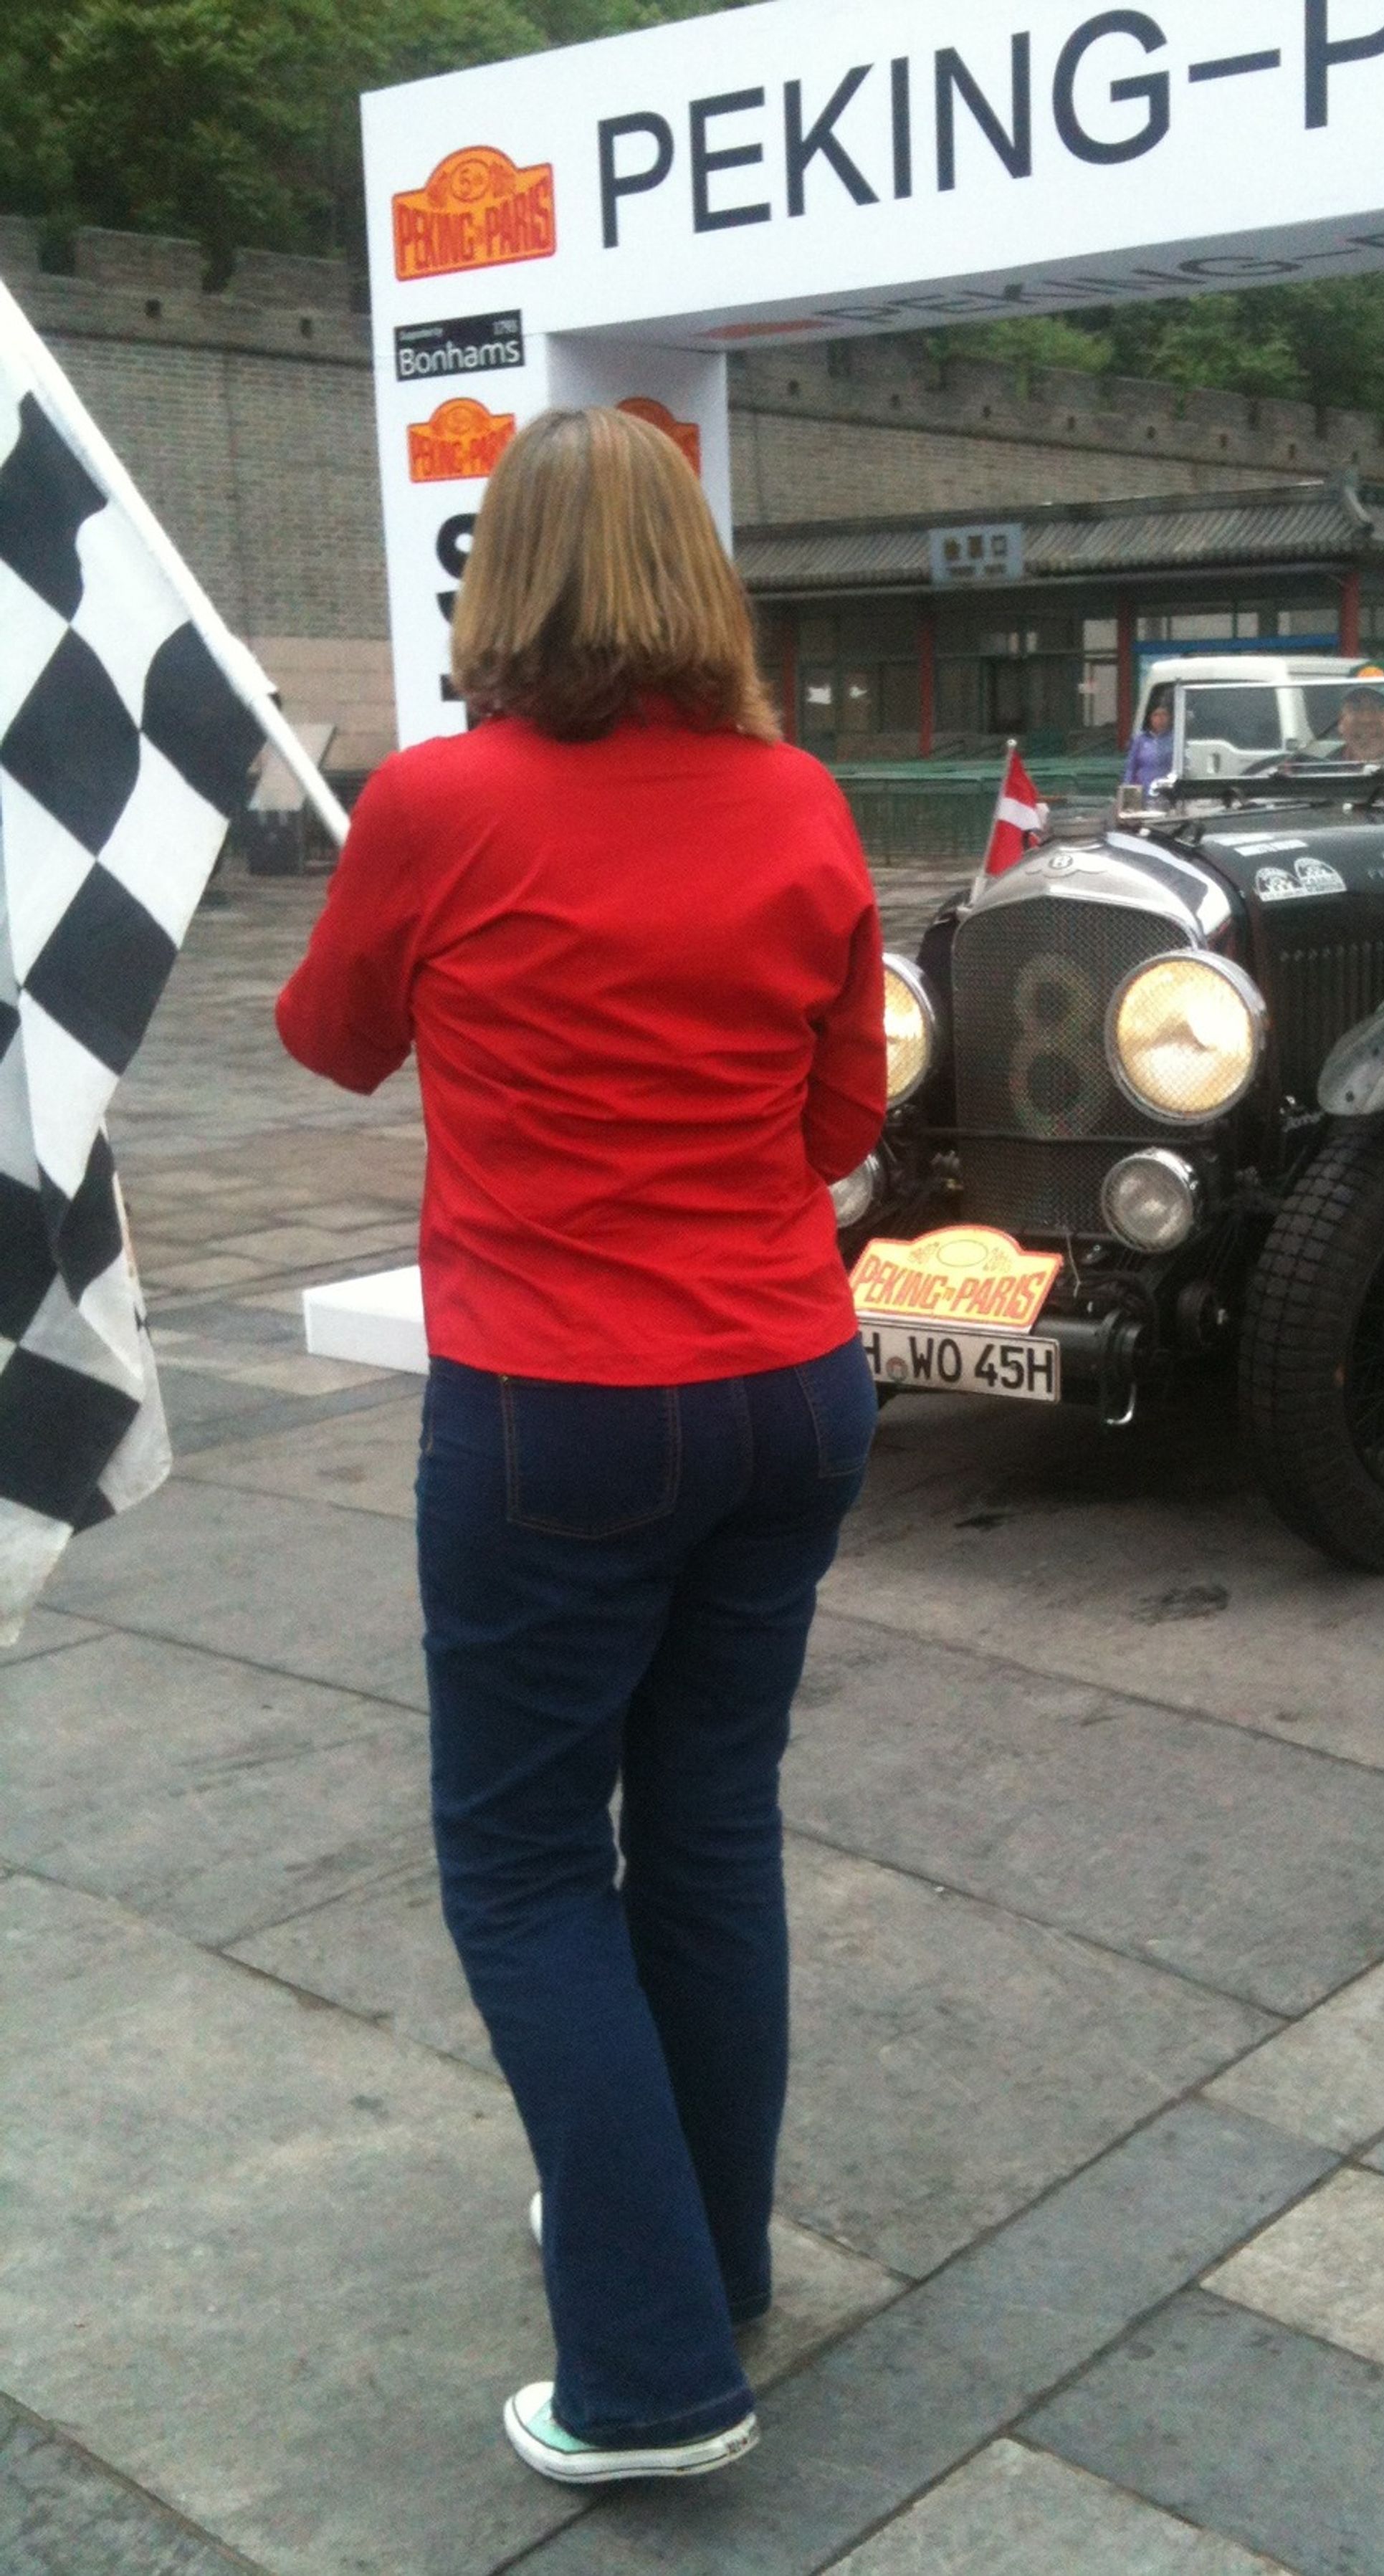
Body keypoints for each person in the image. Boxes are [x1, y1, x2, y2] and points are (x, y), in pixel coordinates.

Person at [275, 406, 886, 2489]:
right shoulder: (802, 801)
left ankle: (647, 2375)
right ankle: (705, 2255)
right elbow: (841, 1117)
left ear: (500, 583)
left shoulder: (436, 803)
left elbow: (331, 1041)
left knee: (528, 1863)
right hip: (791, 1388)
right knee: (709, 1830)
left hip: (559, 1413)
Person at [1122, 686, 1175, 790]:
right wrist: (1127, 786)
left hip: (1166, 789)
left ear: (1170, 717)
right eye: (1156, 715)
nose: (1160, 719)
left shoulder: (1175, 739)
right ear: (1150, 718)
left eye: (1164, 714)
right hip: (1144, 789)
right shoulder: (1140, 740)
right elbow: (1131, 767)